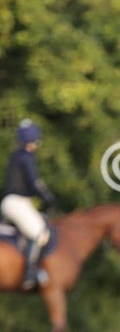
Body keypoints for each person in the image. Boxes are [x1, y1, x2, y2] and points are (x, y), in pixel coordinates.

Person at [1, 120, 57, 290]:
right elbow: (34, 183)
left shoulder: (16, 154)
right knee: (40, 232)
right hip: (17, 202)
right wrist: (48, 198)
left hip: (12, 202)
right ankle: (30, 274)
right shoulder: (26, 157)